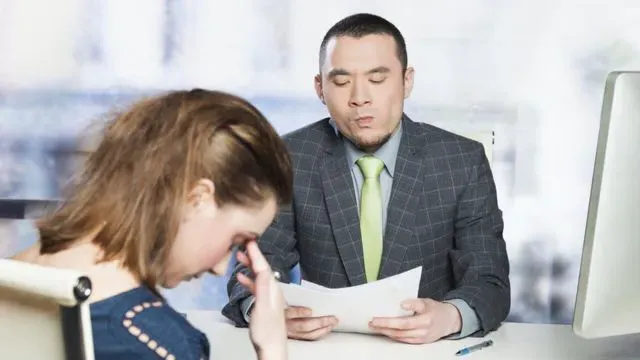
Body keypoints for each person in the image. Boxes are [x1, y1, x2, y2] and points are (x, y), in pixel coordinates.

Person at [224, 13, 510, 344]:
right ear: (320, 88)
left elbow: (489, 280)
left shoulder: (461, 161)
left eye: (377, 80)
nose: (360, 97)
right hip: (323, 349)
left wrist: (452, 316)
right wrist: (268, 310)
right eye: (342, 82)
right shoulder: (287, 157)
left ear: (407, 81)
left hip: (427, 351)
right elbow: (256, 266)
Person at [9, 89, 291, 360]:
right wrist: (272, 348)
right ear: (197, 198)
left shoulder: (13, 276)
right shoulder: (157, 342)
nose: (220, 269)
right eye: (235, 241)